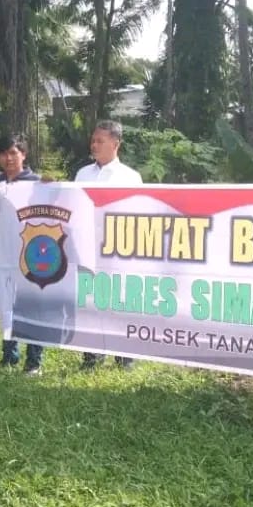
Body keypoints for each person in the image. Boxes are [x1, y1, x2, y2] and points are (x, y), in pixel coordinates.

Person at [75, 120, 143, 370]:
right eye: (93, 140)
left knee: (119, 299)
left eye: (100, 141)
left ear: (116, 144)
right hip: (88, 248)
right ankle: (92, 356)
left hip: (118, 249)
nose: (94, 145)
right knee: (90, 300)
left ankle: (124, 356)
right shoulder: (82, 174)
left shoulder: (130, 177)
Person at [0, 133, 43, 374]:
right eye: (3, 154)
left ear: (23, 154)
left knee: (33, 308)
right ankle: (9, 357)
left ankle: (34, 361)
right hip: (0, 257)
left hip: (31, 258)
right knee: (5, 306)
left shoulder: (37, 183)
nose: (9, 158)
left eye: (13, 153)